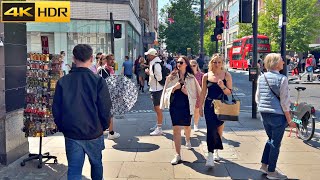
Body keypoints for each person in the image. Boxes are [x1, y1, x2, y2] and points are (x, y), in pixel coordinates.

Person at [52, 44, 111, 179]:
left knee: (74, 170)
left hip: (72, 132)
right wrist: (104, 126)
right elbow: (105, 108)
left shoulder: (63, 81)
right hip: (94, 131)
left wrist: (63, 127)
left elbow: (56, 109)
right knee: (96, 164)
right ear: (91, 58)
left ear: (73, 58)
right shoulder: (98, 81)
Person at [255, 53, 296, 179]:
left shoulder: (262, 77)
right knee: (275, 143)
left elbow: (258, 97)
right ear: (276, 63)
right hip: (277, 115)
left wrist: (263, 108)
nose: (284, 63)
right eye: (282, 61)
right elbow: (284, 102)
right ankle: (272, 171)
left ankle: (264, 165)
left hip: (264, 113)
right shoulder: (282, 79)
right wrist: (290, 120)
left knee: (270, 139)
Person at [160, 56, 201, 165]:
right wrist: (174, 88)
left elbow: (197, 93)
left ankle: (187, 139)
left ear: (186, 64)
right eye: (177, 62)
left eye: (181, 62)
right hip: (175, 105)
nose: (178, 64)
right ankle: (177, 155)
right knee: (176, 129)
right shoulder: (172, 77)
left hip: (187, 105)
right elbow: (166, 92)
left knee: (187, 127)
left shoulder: (191, 78)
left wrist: (187, 93)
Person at [199, 54, 233, 167]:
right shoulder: (206, 76)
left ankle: (216, 151)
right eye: (215, 62)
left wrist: (223, 86)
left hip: (222, 105)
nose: (217, 64)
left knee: (218, 128)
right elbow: (203, 92)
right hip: (209, 105)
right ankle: (210, 154)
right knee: (210, 128)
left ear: (222, 63)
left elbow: (229, 92)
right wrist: (200, 106)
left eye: (219, 62)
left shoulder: (226, 75)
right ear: (211, 63)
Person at [97, 54, 121, 140]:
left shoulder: (108, 69)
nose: (113, 61)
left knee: (108, 114)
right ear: (106, 60)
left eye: (113, 59)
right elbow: (106, 83)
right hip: (106, 95)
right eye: (111, 59)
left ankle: (105, 130)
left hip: (107, 95)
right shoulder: (104, 70)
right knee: (109, 114)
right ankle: (110, 133)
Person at [145, 48, 164, 136]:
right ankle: (158, 125)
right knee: (157, 109)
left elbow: (159, 77)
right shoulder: (154, 62)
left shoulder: (156, 64)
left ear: (152, 55)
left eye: (148, 55)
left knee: (158, 109)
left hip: (157, 89)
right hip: (155, 88)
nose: (147, 56)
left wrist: (149, 73)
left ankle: (159, 128)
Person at [190, 60, 204, 132]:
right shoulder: (188, 75)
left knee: (196, 110)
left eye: (194, 65)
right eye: (191, 66)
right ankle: (188, 125)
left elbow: (203, 87)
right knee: (188, 111)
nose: (192, 67)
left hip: (198, 95)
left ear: (197, 66)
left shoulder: (201, 75)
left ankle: (195, 124)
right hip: (189, 95)